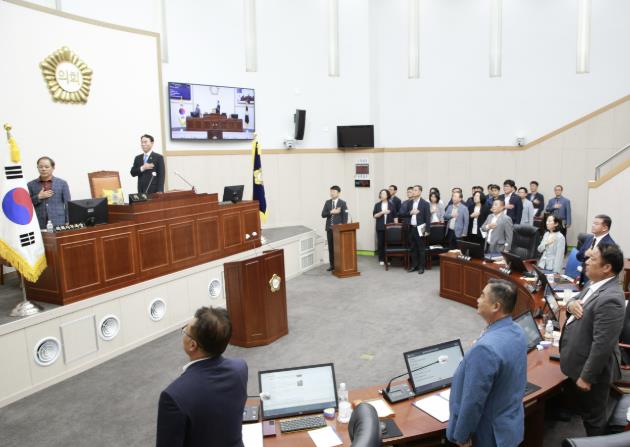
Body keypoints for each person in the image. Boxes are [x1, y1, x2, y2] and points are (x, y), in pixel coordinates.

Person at [447, 279, 527, 447]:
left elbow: (473, 400)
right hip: (510, 427)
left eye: (482, 296)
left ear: (496, 306)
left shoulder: (485, 349)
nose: (478, 299)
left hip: (489, 436)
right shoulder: (518, 331)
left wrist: (461, 436)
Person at [156, 306, 248, 447]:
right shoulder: (240, 368)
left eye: (185, 330)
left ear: (192, 345)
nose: (184, 332)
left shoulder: (173, 397)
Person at [560, 243, 625, 436]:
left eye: (593, 259)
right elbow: (575, 300)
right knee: (582, 408)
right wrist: (571, 304)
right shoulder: (594, 283)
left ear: (607, 267)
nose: (586, 262)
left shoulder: (611, 299)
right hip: (579, 360)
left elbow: (602, 345)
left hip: (594, 373)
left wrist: (586, 377)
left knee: (593, 419)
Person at [27, 156, 71, 229]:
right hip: (39, 223)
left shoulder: (62, 183)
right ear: (37, 168)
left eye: (46, 167)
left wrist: (68, 221)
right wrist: (38, 197)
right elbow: (26, 205)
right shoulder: (30, 185)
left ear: (53, 168)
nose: (43, 169)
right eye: (40, 167)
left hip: (59, 221)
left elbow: (67, 204)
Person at [399, 185, 430, 274]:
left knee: (421, 248)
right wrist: (410, 212)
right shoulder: (409, 203)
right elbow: (402, 214)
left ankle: (421, 267)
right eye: (413, 190)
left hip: (421, 228)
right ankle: (414, 266)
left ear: (420, 192)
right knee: (413, 248)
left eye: (415, 190)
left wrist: (427, 230)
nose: (413, 192)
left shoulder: (425, 203)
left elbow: (427, 218)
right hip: (411, 228)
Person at [576, 214, 615, 285]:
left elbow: (606, 268)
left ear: (605, 228)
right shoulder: (589, 238)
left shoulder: (610, 245)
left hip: (597, 281)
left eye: (596, 224)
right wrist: (585, 253)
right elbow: (578, 256)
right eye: (593, 223)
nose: (593, 225)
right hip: (584, 277)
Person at [321, 185, 348, 272]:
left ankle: (340, 264)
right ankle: (332, 265)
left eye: (334, 192)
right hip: (329, 229)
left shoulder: (342, 203)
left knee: (339, 248)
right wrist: (331, 212)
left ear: (338, 193)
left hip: (339, 230)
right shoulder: (327, 202)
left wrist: (343, 226)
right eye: (331, 191)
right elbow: (323, 214)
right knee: (331, 248)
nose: (332, 193)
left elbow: (345, 216)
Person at [373, 189, 396, 266]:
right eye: (381, 194)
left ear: (387, 195)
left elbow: (395, 217)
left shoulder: (391, 205)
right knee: (381, 243)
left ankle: (388, 259)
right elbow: (374, 216)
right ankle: (381, 259)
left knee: (389, 243)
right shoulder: (377, 205)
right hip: (380, 227)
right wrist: (382, 212)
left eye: (384, 194)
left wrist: (395, 226)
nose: (382, 195)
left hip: (390, 228)